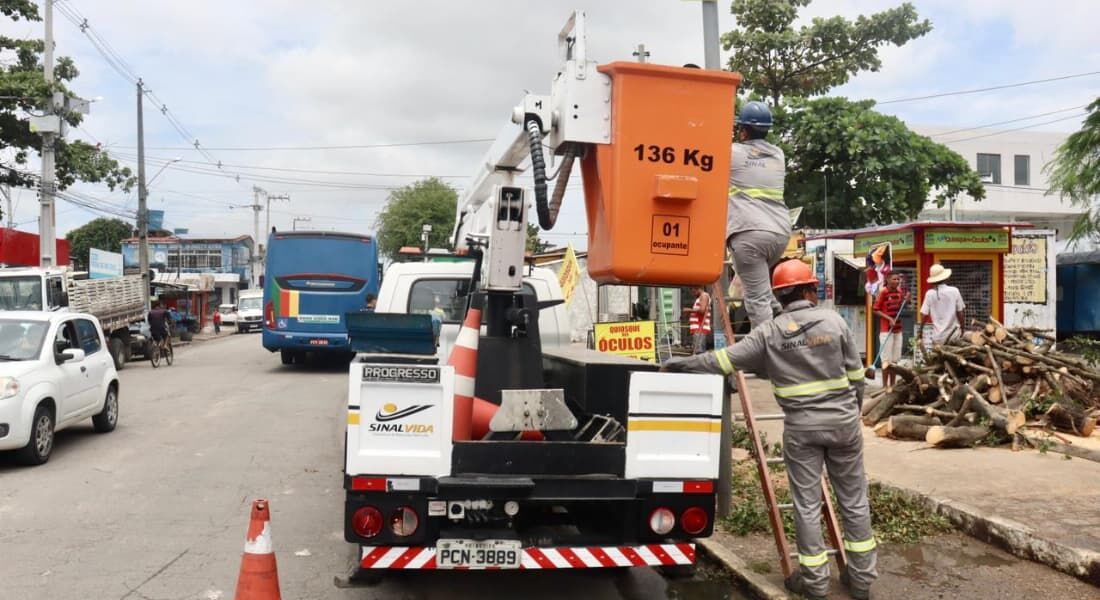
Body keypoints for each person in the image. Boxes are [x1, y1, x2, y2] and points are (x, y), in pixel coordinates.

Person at [662, 260, 876, 600]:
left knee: (806, 504)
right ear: (809, 290)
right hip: (844, 426)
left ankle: (816, 585)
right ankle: (862, 581)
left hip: (802, 430)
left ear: (779, 296)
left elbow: (721, 362)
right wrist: (853, 413)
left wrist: (677, 364)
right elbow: (856, 379)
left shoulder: (770, 332)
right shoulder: (835, 322)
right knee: (853, 502)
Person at [727, 100, 792, 329]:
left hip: (749, 234)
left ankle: (766, 356)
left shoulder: (732, 153)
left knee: (757, 301)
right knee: (764, 293)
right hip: (780, 234)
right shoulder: (778, 155)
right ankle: (790, 327)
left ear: (743, 130)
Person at [917, 264, 966, 355]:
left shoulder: (929, 294)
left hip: (938, 337)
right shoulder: (954, 291)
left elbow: (924, 315)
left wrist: (920, 331)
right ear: (945, 278)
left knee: (939, 359)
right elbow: (960, 312)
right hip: (954, 335)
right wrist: (963, 328)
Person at [872, 273, 909, 388]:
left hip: (898, 330)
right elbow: (875, 309)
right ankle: (884, 386)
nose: (897, 281)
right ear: (888, 280)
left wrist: (906, 299)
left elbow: (903, 304)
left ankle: (892, 385)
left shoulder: (899, 292)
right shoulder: (883, 292)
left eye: (898, 279)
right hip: (886, 330)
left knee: (894, 361)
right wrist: (889, 319)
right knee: (886, 361)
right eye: (894, 279)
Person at [682, 285, 711, 354]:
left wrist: (689, 310)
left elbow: (702, 310)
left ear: (697, 288)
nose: (692, 292)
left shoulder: (704, 295)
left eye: (692, 289)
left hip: (700, 328)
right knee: (697, 351)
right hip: (698, 329)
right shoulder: (701, 297)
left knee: (699, 352)